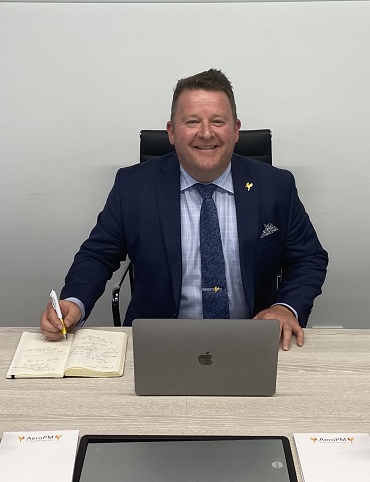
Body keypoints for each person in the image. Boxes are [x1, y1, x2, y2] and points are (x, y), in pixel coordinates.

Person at [40, 69, 327, 350]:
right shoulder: (133, 186)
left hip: (253, 340)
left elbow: (308, 258)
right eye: (192, 122)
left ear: (236, 130)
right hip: (157, 343)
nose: (205, 133)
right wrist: (74, 302)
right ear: (172, 132)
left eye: (218, 121)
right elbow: (98, 255)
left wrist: (285, 307)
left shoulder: (276, 185)